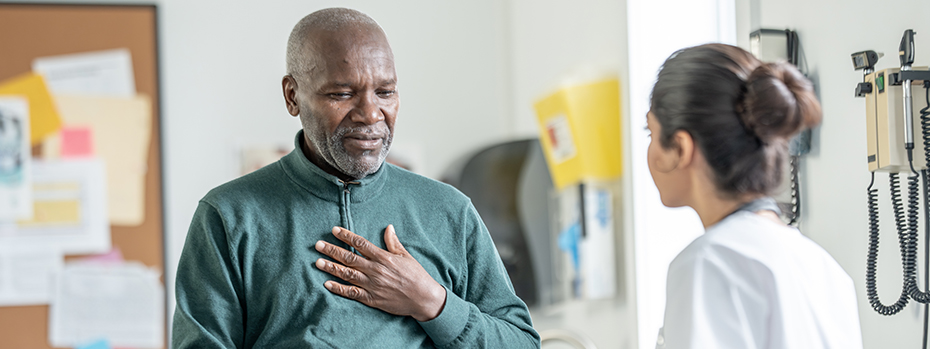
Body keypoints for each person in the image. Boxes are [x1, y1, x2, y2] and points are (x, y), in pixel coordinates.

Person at [171, 8, 539, 349]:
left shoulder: (449, 211)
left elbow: (522, 342)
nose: (369, 114)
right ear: (292, 95)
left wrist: (432, 301)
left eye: (385, 92)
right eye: (342, 93)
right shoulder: (229, 216)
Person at [646, 44, 863, 349]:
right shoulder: (823, 267)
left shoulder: (709, 262)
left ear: (681, 148)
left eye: (650, 133)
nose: (649, 151)